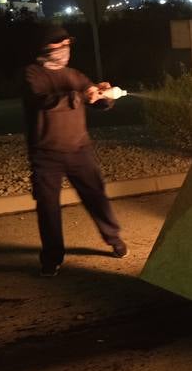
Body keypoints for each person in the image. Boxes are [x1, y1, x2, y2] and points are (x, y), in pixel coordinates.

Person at [23, 25, 127, 276]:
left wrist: (103, 94)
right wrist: (81, 96)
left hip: (79, 150)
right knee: (48, 207)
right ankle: (52, 258)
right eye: (57, 46)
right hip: (45, 153)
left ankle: (113, 239)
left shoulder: (75, 75)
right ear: (44, 49)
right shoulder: (32, 75)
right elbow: (44, 102)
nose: (63, 51)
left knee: (96, 196)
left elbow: (96, 100)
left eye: (67, 45)